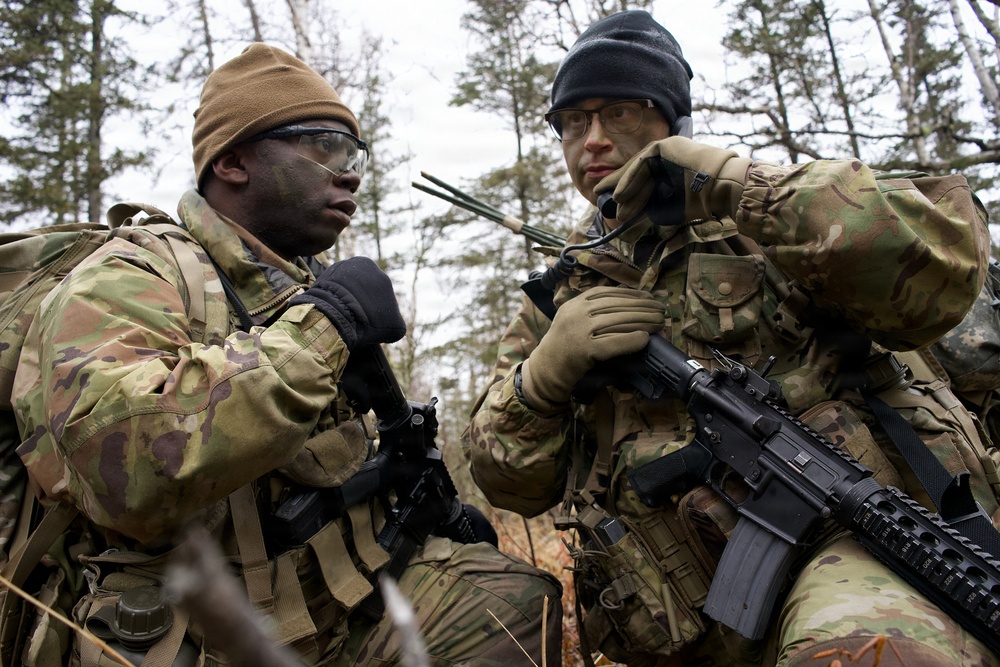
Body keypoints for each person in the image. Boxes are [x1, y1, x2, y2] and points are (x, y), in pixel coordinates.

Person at [464, 10, 999, 667]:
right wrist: (541, 378)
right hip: (681, 623)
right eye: (573, 122)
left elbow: (942, 274)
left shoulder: (768, 218)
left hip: (851, 552)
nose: (592, 142)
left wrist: (743, 186)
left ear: (670, 121)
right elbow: (506, 480)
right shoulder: (562, 295)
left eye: (620, 114)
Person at [10, 43, 561, 666]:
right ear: (234, 160)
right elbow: (124, 466)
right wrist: (326, 327)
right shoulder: (132, 273)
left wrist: (425, 520)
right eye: (323, 146)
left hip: (325, 607)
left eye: (354, 153)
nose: (348, 171)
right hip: (191, 633)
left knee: (508, 601)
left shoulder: (298, 285)